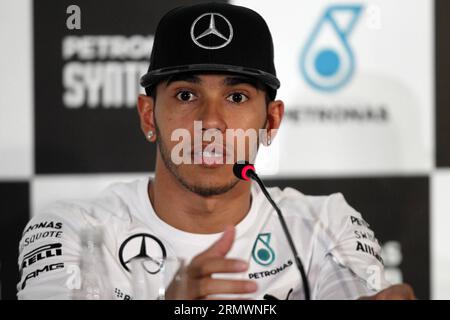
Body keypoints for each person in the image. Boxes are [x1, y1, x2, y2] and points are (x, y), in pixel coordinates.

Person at [17, 2, 415, 300]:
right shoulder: (72, 231)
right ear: (148, 116)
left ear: (271, 122)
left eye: (237, 96)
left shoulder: (325, 225)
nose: (211, 121)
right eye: (186, 94)